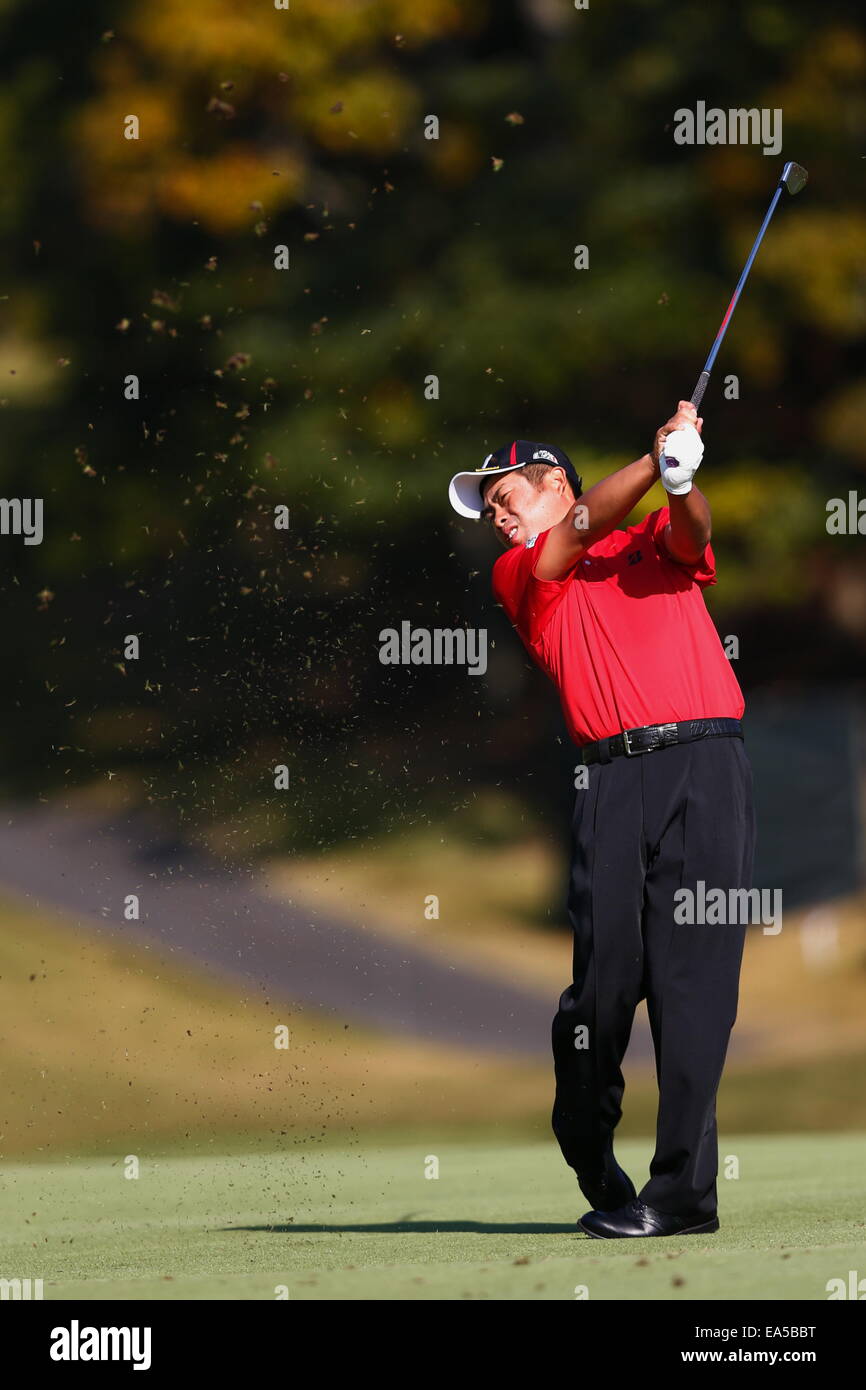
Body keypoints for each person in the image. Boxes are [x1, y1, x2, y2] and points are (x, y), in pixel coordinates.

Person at [447, 404, 756, 1238]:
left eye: (506, 496)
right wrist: (657, 458)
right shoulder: (527, 574)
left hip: (706, 763)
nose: (499, 516)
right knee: (604, 991)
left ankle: (683, 1198)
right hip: (613, 780)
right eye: (491, 508)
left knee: (696, 991)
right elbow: (583, 527)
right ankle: (585, 1134)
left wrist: (683, 475)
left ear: (554, 481)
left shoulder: (648, 541)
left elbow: (691, 537)